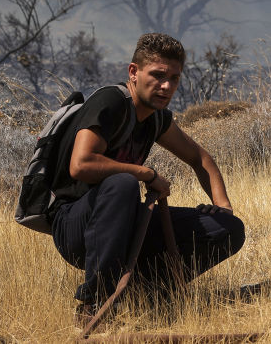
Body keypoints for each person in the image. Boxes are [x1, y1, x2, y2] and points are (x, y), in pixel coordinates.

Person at [49, 32, 245, 321]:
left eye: (174, 79)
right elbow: (81, 165)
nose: (166, 86)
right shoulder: (111, 102)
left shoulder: (156, 117)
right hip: (75, 225)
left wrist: (223, 206)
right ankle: (96, 302)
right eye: (157, 75)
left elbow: (201, 159)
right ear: (134, 72)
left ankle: (146, 292)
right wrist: (146, 173)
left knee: (228, 229)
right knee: (123, 183)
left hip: (123, 221)